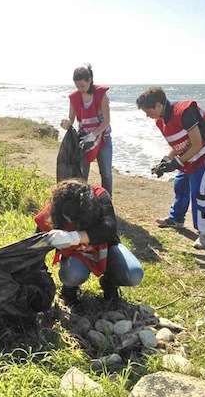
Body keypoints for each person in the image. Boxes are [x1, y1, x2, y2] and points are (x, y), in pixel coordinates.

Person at [136, 86, 205, 249]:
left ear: (158, 105)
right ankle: (176, 219)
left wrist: (176, 163)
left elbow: (197, 144)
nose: (147, 116)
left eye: (148, 111)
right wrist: (165, 162)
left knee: (200, 190)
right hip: (191, 151)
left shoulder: (184, 112)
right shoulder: (160, 121)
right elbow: (179, 145)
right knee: (180, 184)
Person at [34, 179, 143, 306]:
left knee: (134, 274)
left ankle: (110, 282)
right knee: (73, 274)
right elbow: (37, 244)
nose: (71, 221)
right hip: (75, 254)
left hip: (106, 248)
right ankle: (69, 290)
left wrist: (73, 237)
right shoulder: (57, 206)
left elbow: (109, 230)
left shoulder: (100, 197)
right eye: (67, 218)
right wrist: (41, 271)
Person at [60, 64, 113, 195]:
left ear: (89, 80)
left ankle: (107, 200)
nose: (80, 89)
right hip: (84, 140)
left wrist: (94, 134)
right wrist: (67, 122)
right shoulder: (74, 97)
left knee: (105, 172)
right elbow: (71, 118)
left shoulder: (101, 94)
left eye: (83, 86)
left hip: (102, 138)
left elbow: (106, 121)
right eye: (77, 86)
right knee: (82, 172)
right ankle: (83, 200)